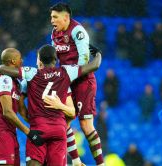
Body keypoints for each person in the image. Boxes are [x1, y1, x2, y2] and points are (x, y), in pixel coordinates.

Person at [0, 44, 102, 165]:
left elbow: (3, 69)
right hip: (59, 129)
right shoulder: (66, 71)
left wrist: (0, 67)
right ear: (55, 59)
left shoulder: (32, 73)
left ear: (39, 61)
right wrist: (98, 53)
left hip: (39, 127)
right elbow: (94, 65)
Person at [50, 3, 104, 165]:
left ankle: (100, 163)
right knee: (63, 122)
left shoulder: (77, 31)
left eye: (55, 17)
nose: (52, 20)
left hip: (82, 82)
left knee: (86, 125)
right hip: (66, 82)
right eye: (51, 17)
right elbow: (55, 59)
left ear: (66, 17)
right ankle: (76, 161)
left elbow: (84, 59)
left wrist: (71, 75)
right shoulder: (54, 33)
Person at [0, 48, 44, 166]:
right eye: (19, 58)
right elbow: (7, 112)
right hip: (0, 132)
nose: (22, 60)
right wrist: (29, 132)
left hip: (10, 131)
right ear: (13, 61)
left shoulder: (15, 81)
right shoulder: (5, 79)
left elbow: (18, 106)